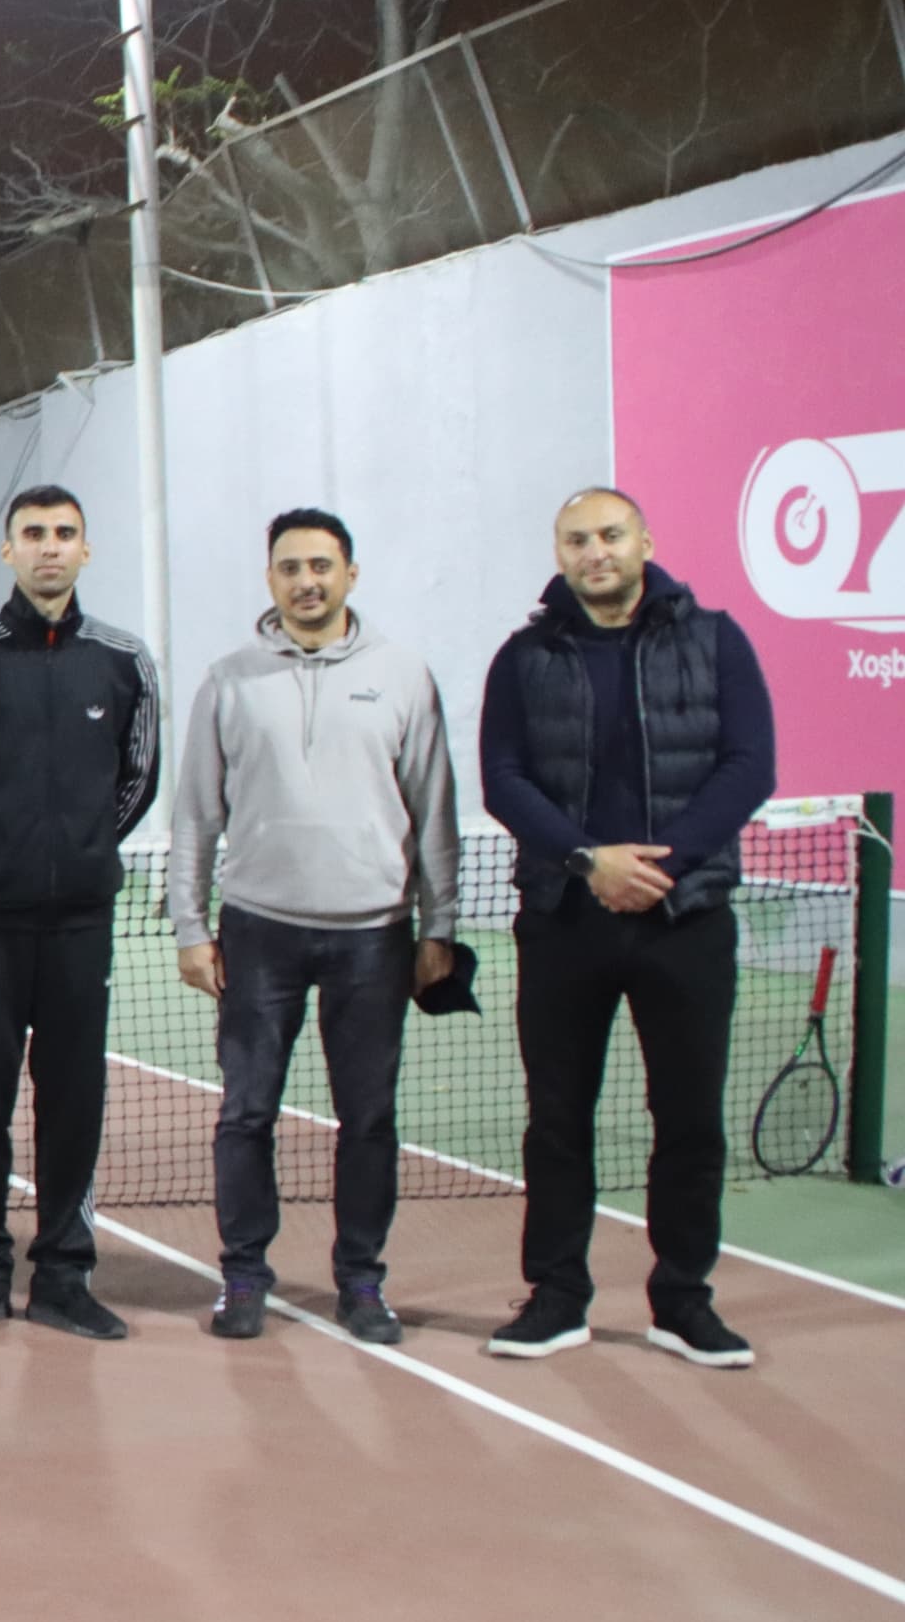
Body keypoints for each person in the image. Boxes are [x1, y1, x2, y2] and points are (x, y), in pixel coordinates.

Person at [477, 488, 776, 1368]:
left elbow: (749, 766)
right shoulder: (524, 657)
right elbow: (503, 778)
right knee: (557, 1120)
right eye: (577, 539)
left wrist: (660, 868)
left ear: (645, 540)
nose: (595, 551)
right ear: (560, 554)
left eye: (610, 534)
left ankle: (682, 1301)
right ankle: (557, 1298)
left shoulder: (716, 641)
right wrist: (589, 863)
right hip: (564, 920)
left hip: (687, 922)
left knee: (689, 1120)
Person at [167, 508, 460, 1343]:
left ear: (350, 575)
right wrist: (191, 924)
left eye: (322, 566)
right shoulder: (229, 680)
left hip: (375, 937)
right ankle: (243, 1277)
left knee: (368, 1120)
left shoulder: (403, 675)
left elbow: (434, 808)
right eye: (291, 567)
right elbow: (196, 815)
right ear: (271, 579)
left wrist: (439, 925)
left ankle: (362, 1282)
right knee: (245, 1115)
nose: (307, 581)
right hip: (259, 934)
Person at [0, 485, 162, 1342]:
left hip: (81, 924)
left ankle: (64, 1272)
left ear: (85, 549)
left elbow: (136, 780)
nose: (49, 547)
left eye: (64, 534)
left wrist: (82, 848)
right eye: (33, 533)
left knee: (74, 1098)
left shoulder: (124, 661)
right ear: (8, 550)